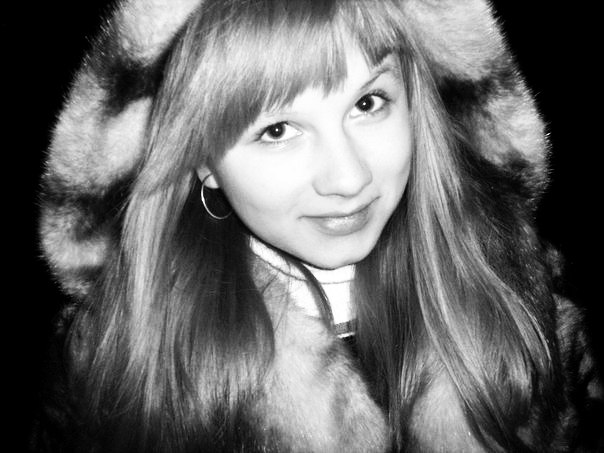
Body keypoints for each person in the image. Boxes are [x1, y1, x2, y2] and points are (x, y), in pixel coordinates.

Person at [33, 0, 602, 451]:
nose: (349, 178)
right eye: (277, 130)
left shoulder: (521, 299)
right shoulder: (111, 355)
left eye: (369, 102)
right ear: (201, 160)